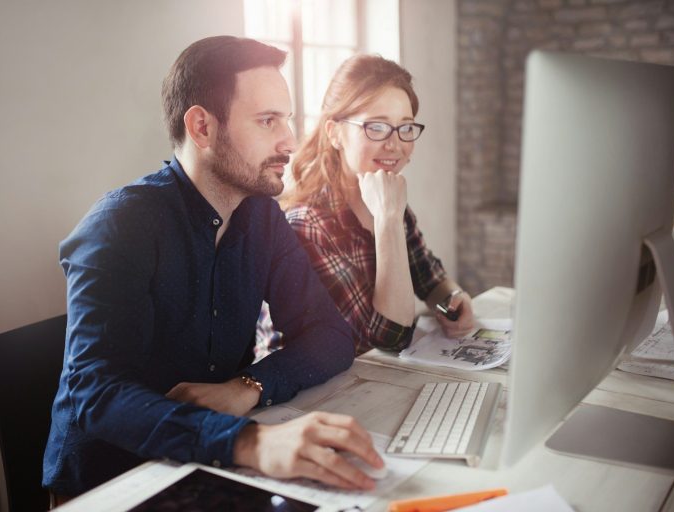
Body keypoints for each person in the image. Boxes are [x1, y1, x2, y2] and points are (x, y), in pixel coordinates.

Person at [42, 36, 384, 502]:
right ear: (202, 127)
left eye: (286, 119)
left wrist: (248, 387)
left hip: (210, 469)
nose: (289, 140)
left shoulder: (263, 217)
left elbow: (328, 335)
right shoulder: (119, 225)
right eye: (267, 121)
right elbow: (96, 394)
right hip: (115, 483)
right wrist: (249, 441)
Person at [257, 54, 475, 358]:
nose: (395, 144)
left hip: (364, 383)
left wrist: (453, 298)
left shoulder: (388, 199)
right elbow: (388, 339)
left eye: (406, 127)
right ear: (335, 133)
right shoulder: (307, 225)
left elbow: (430, 278)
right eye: (376, 127)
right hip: (306, 398)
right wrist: (387, 219)